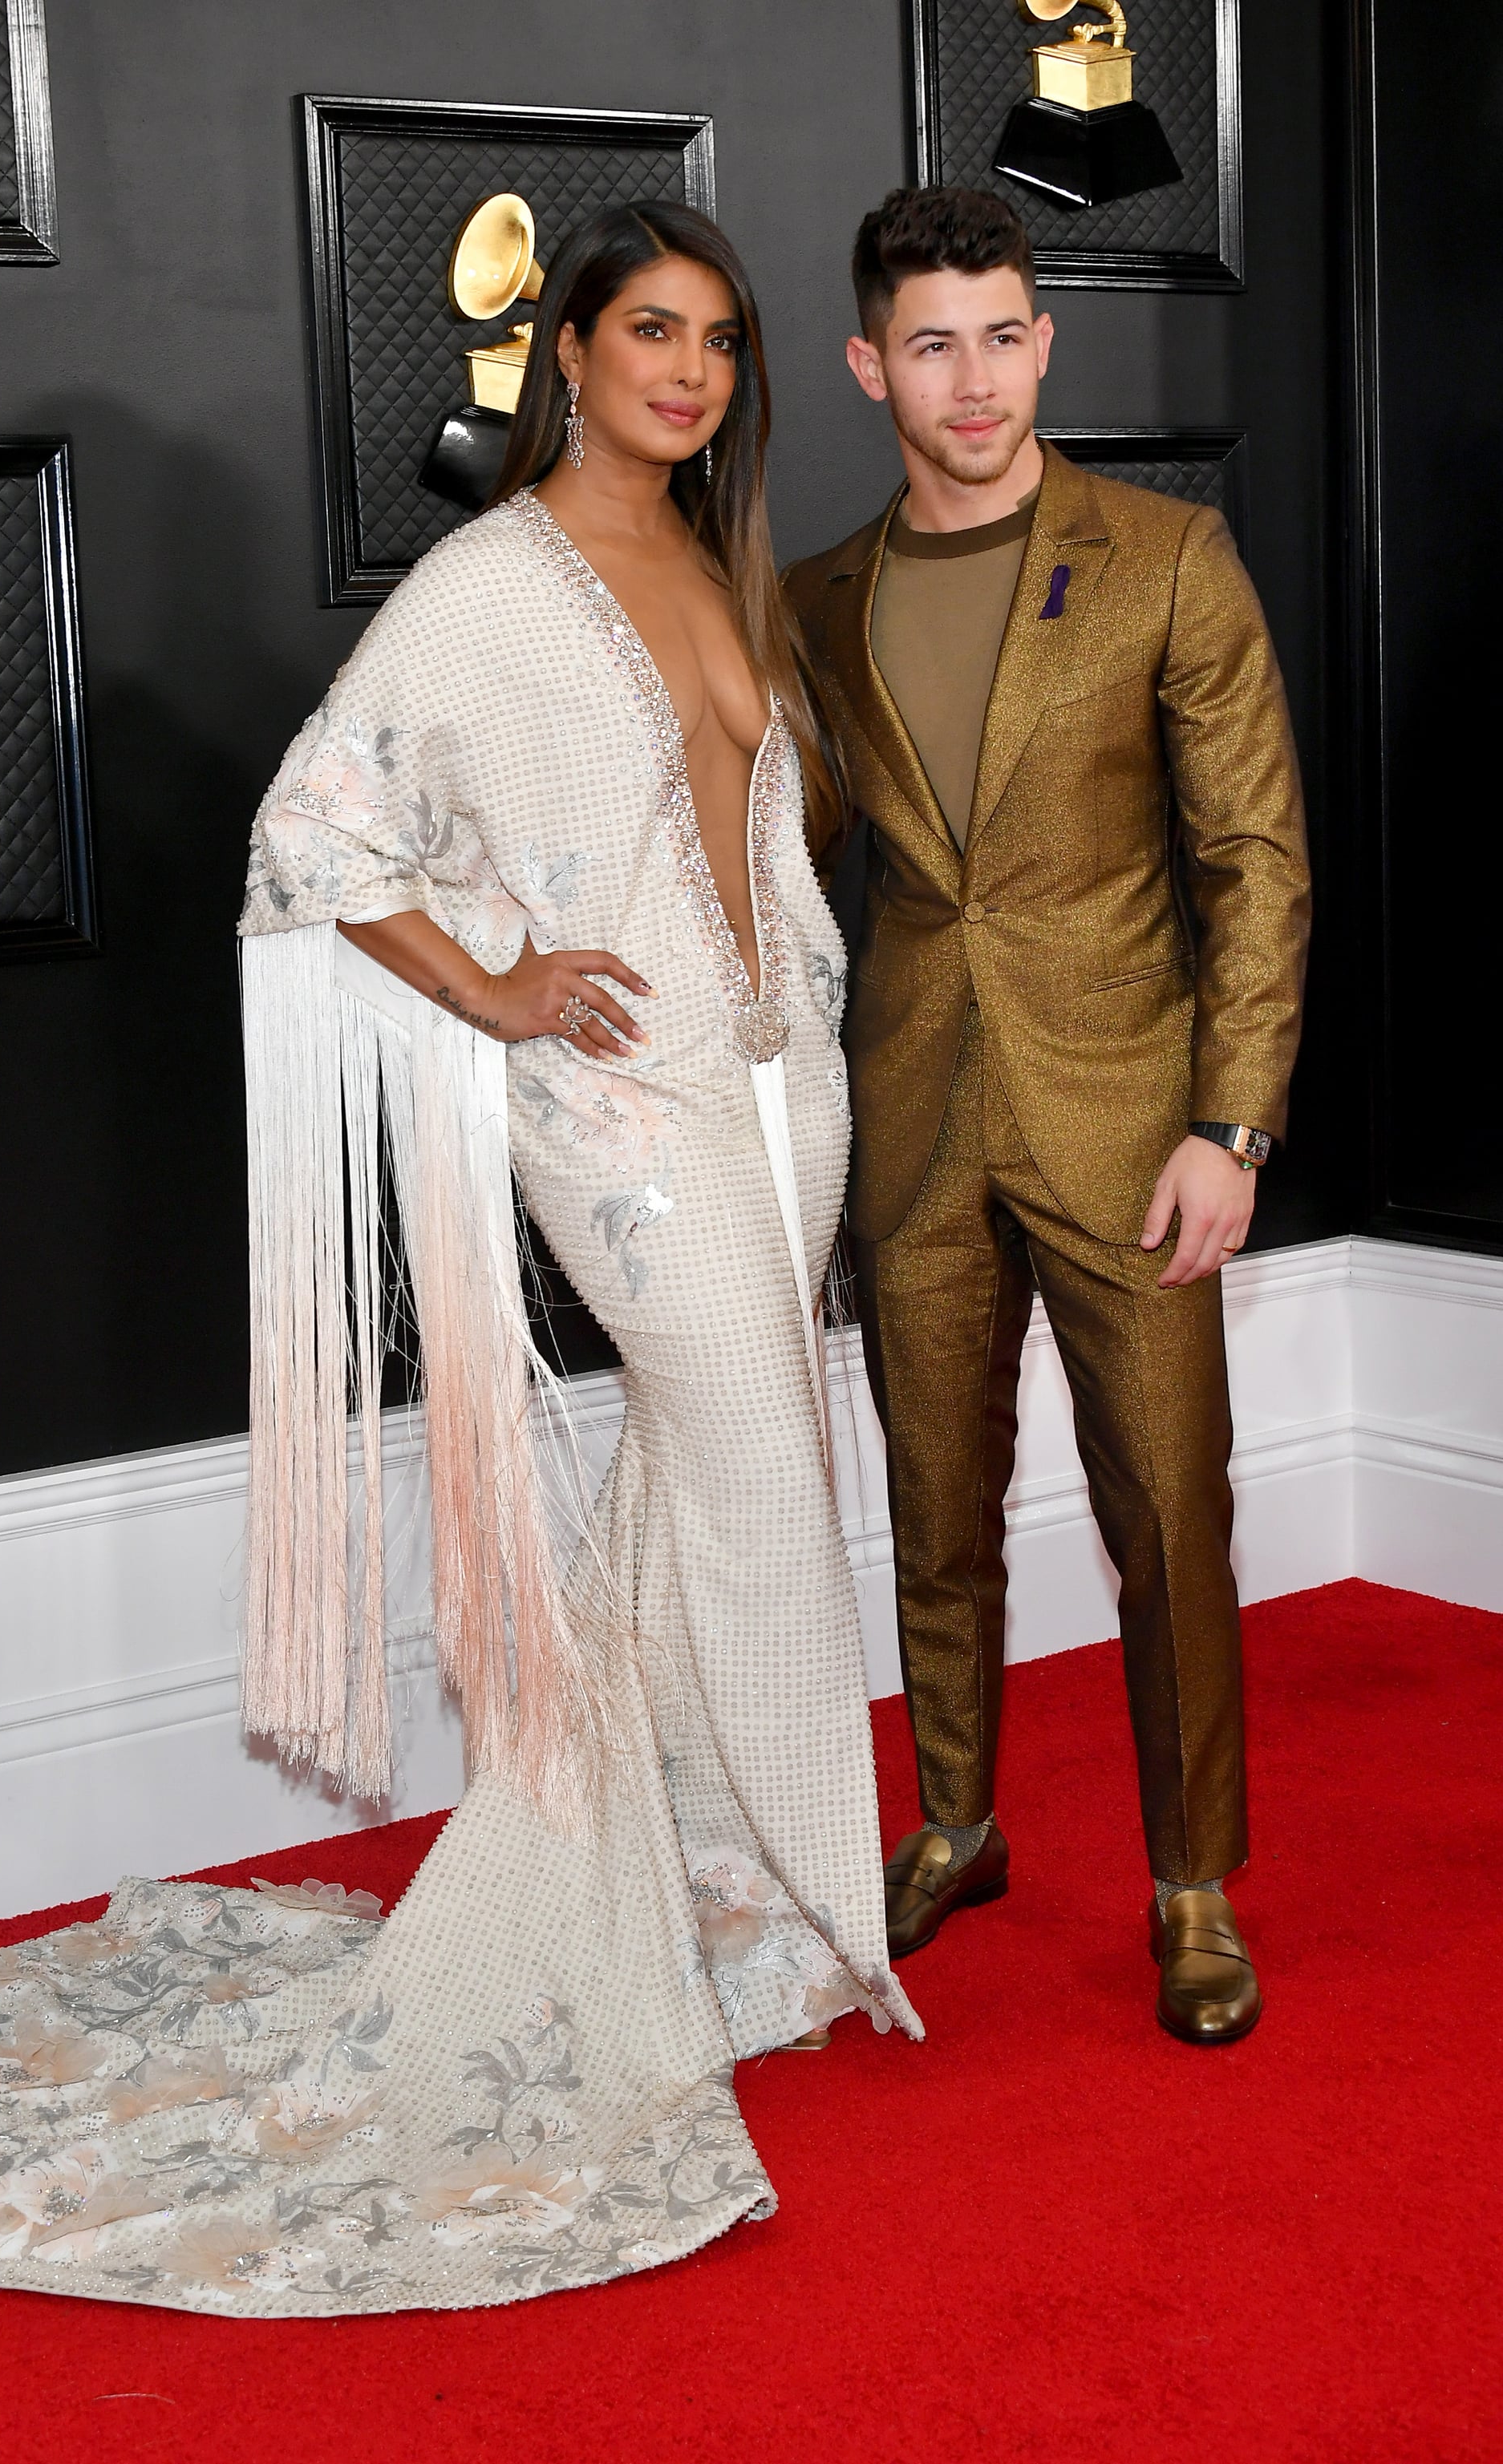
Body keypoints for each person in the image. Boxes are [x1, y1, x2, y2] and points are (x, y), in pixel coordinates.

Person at [0, 201, 917, 2318]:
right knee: (760, 1488)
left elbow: (749, 843)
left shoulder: (717, 562)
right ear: (578, 354)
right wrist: (509, 989)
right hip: (621, 1122)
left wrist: (784, 1026)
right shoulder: (487, 583)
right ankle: (806, 1896)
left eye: (717, 338)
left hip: (774, 1091)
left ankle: (701, 1891)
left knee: (711, 1497)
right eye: (648, 332)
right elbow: (311, 838)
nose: (687, 372)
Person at [784, 186, 1310, 2045]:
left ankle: (1190, 1884)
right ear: (871, 367)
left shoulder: (1168, 556)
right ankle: (952, 1820)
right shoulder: (813, 603)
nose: (976, 375)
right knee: (937, 1505)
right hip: (912, 1114)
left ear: (1043, 341)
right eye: (933, 342)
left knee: (1166, 1509)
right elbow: (787, 859)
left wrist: (1229, 1124)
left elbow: (1254, 861)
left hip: (1133, 1127)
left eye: (1004, 332)